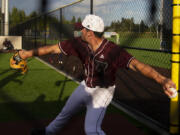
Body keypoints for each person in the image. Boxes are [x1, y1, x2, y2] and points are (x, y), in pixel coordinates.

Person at [11, 14, 176, 135]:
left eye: (82, 28)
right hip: (85, 86)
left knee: (91, 130)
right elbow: (52, 49)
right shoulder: (78, 44)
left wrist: (161, 79)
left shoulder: (113, 51)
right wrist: (26, 54)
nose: (80, 30)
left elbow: (137, 65)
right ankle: (47, 133)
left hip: (103, 92)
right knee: (65, 112)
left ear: (89, 32)